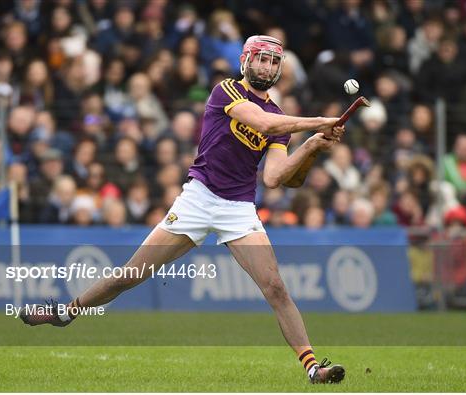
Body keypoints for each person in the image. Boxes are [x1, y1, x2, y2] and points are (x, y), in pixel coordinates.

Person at [19, 35, 346, 384]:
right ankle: (66, 313)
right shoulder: (227, 92)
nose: (266, 67)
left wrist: (311, 146)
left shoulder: (282, 119)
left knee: (276, 288)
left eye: (273, 62)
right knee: (131, 275)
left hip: (238, 208)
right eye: (260, 59)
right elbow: (261, 123)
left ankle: (313, 368)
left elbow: (276, 178)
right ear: (245, 61)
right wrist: (318, 121)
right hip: (198, 199)